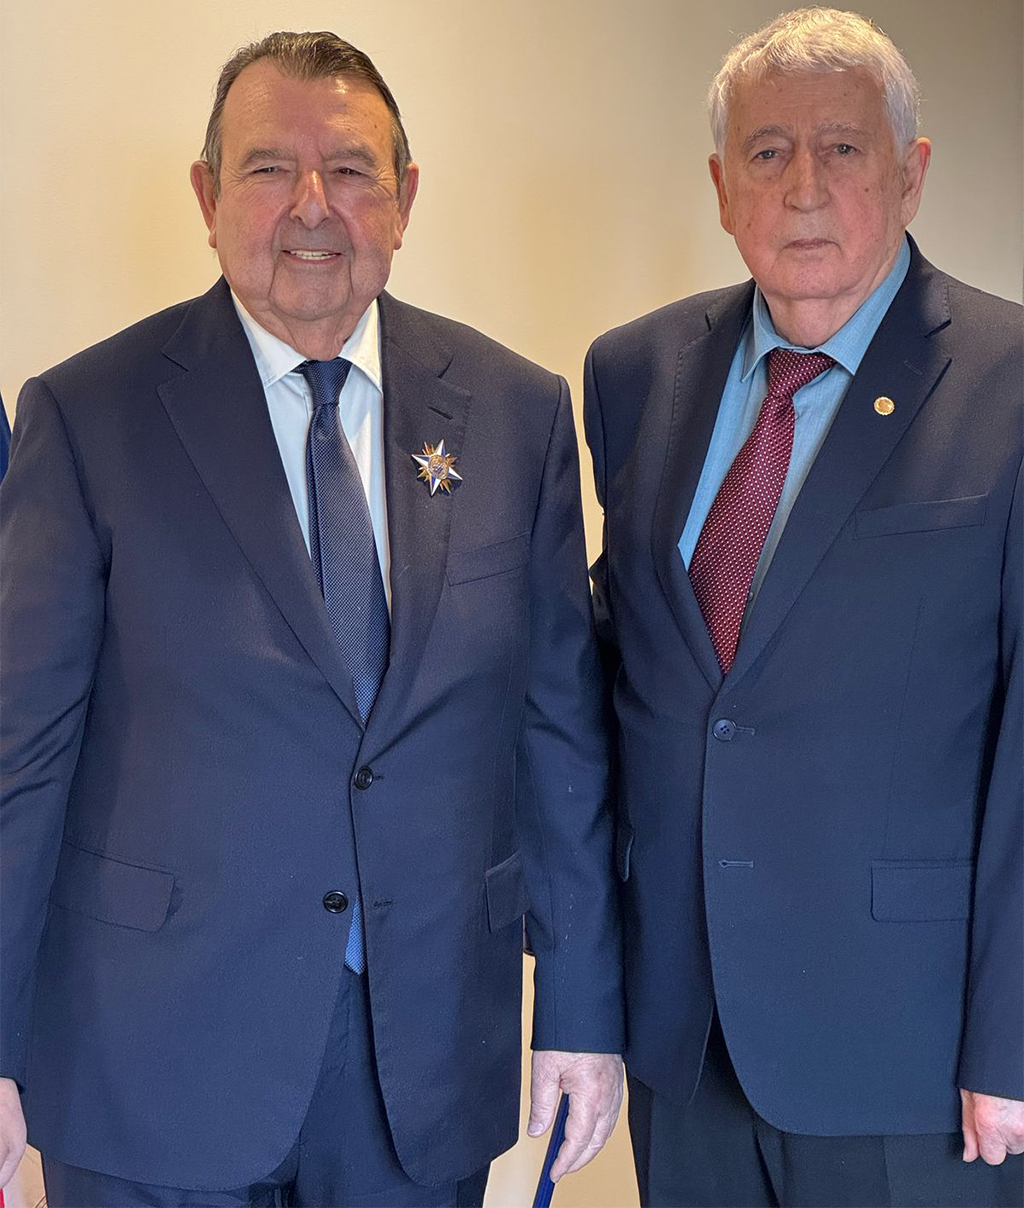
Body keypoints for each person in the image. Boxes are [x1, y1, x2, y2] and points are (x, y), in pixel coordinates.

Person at [0, 31, 624, 1207]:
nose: (311, 206)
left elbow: (558, 737)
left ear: (405, 199)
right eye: (267, 168)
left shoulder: (516, 412)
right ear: (206, 197)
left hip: (420, 1055)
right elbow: (19, 751)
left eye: (348, 169)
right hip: (150, 1051)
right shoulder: (87, 415)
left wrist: (583, 1009)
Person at [584, 8, 1022, 1206]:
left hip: (915, 1057)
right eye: (768, 153)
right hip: (684, 1036)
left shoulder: (1007, 382)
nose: (804, 188)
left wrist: (1011, 1038)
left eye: (842, 149)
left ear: (910, 173)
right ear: (722, 187)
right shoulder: (631, 373)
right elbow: (621, 679)